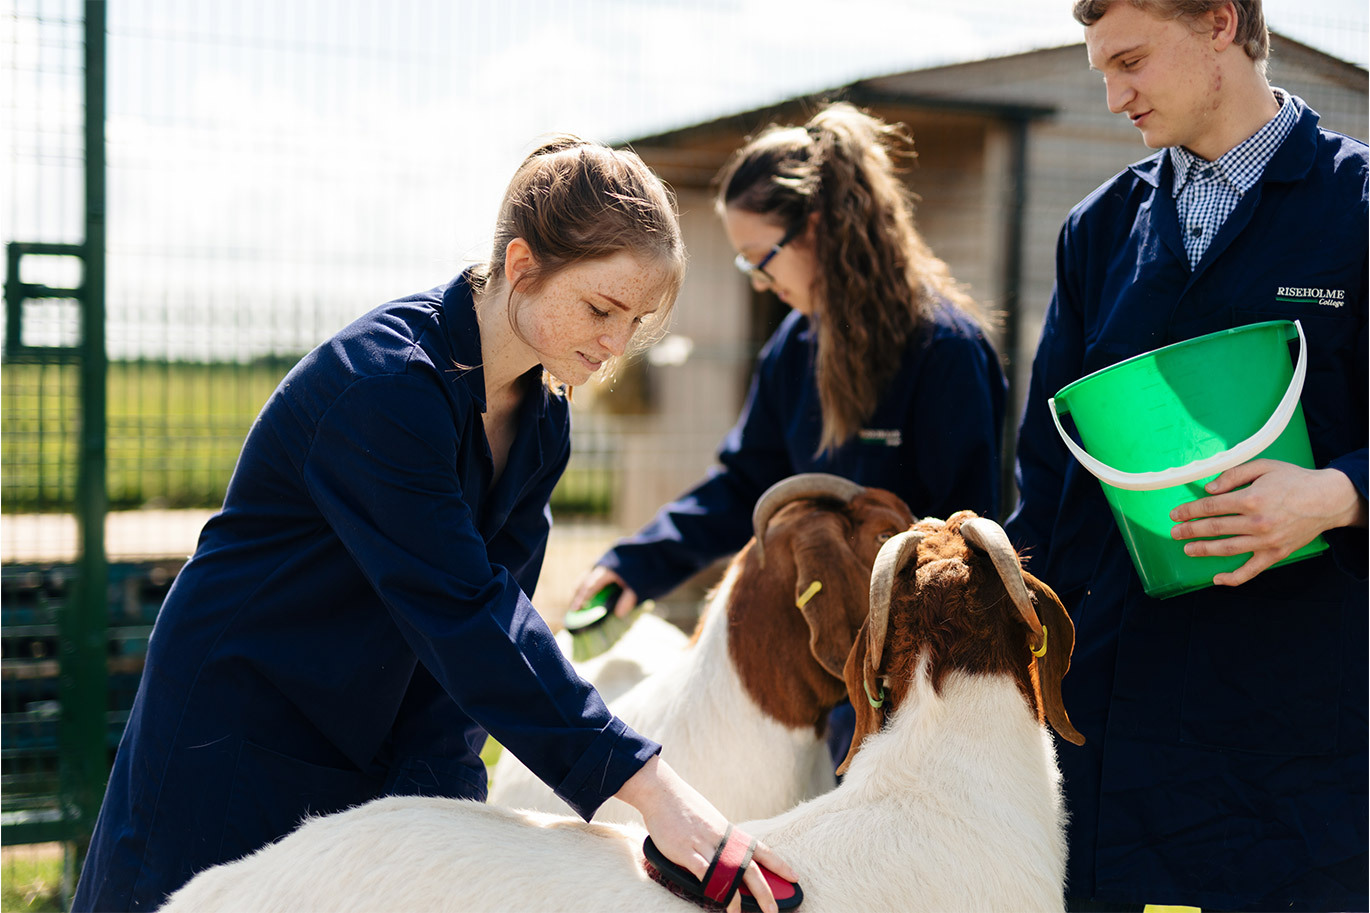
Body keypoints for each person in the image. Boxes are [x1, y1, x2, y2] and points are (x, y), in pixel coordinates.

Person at [73, 136, 795, 913]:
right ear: (523, 265)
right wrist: (652, 790)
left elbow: (478, 656)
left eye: (637, 321)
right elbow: (466, 617)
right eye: (600, 308)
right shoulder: (383, 387)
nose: (617, 344)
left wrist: (443, 831)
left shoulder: (543, 422)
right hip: (237, 734)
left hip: (368, 737)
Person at [1006, 1, 1368, 910]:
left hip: (1297, 730)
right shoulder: (1097, 232)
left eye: (1131, 60)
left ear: (1219, 24)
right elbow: (1050, 472)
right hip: (1117, 715)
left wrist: (1335, 493)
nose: (1115, 94)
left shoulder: (1356, 208)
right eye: (1100, 70)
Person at [571, 102, 1007, 766]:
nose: (762, 282)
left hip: (925, 683)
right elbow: (746, 482)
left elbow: (966, 536)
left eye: (759, 258)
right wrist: (635, 563)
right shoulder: (794, 345)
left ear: (819, 228)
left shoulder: (943, 347)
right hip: (829, 665)